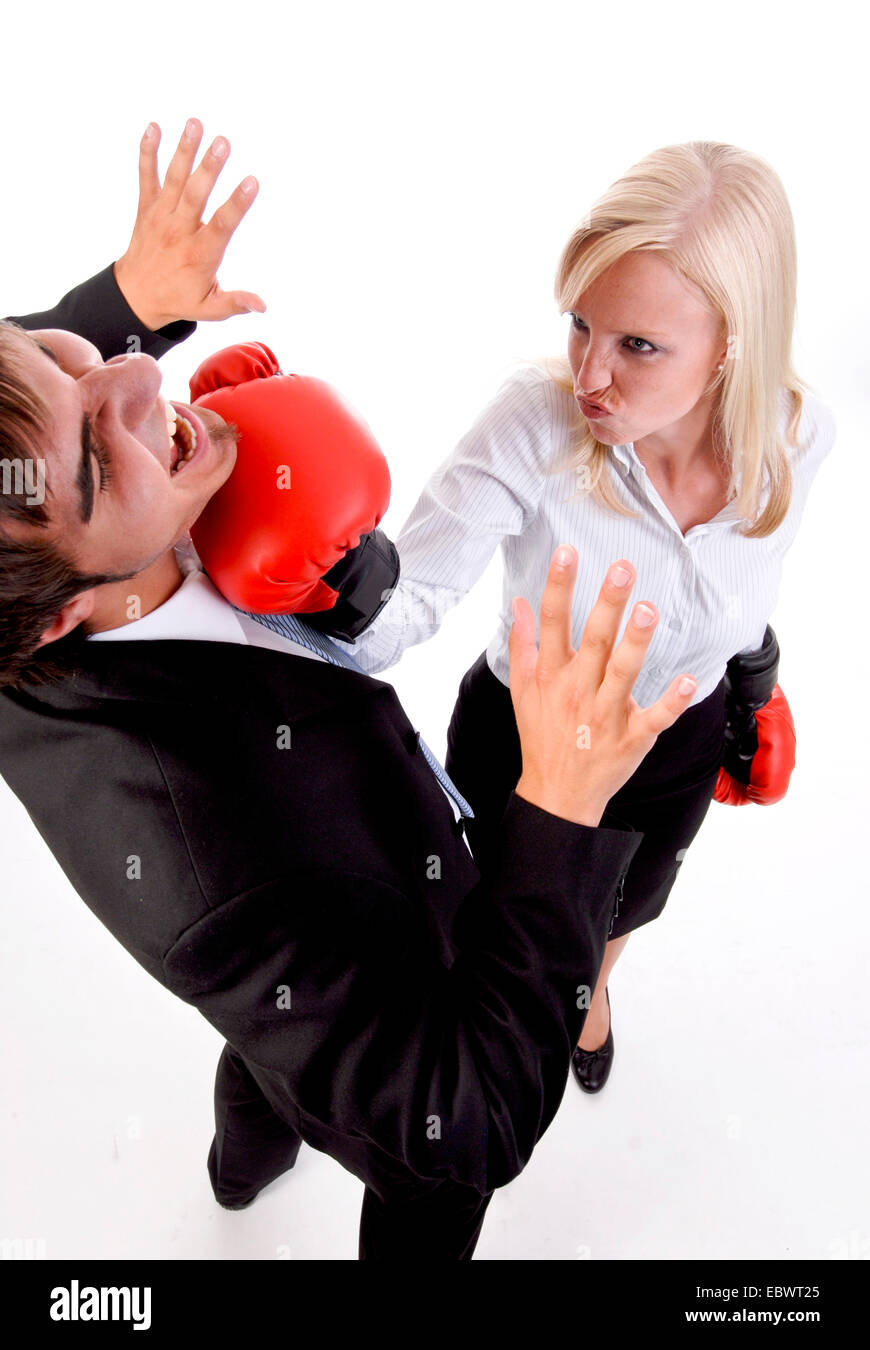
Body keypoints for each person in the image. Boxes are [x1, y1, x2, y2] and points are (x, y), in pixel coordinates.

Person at [0, 121, 700, 1260]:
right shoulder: (205, 864)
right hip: (396, 1002)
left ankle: (239, 1165)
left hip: (312, 976)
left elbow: (29, 391)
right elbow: (465, 1118)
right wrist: (560, 812)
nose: (135, 371)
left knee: (268, 1061)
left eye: (73, 360)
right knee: (417, 1185)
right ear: (56, 618)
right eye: (97, 450)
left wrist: (126, 295)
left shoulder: (39, 543)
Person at [329, 140, 837, 1093]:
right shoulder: (536, 417)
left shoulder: (800, 436)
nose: (591, 375)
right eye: (580, 326)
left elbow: (745, 590)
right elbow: (411, 601)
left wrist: (755, 682)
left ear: (735, 343)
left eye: (639, 346)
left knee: (627, 907)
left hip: (673, 744)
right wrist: (312, 582)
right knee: (483, 928)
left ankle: (592, 994)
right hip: (523, 740)